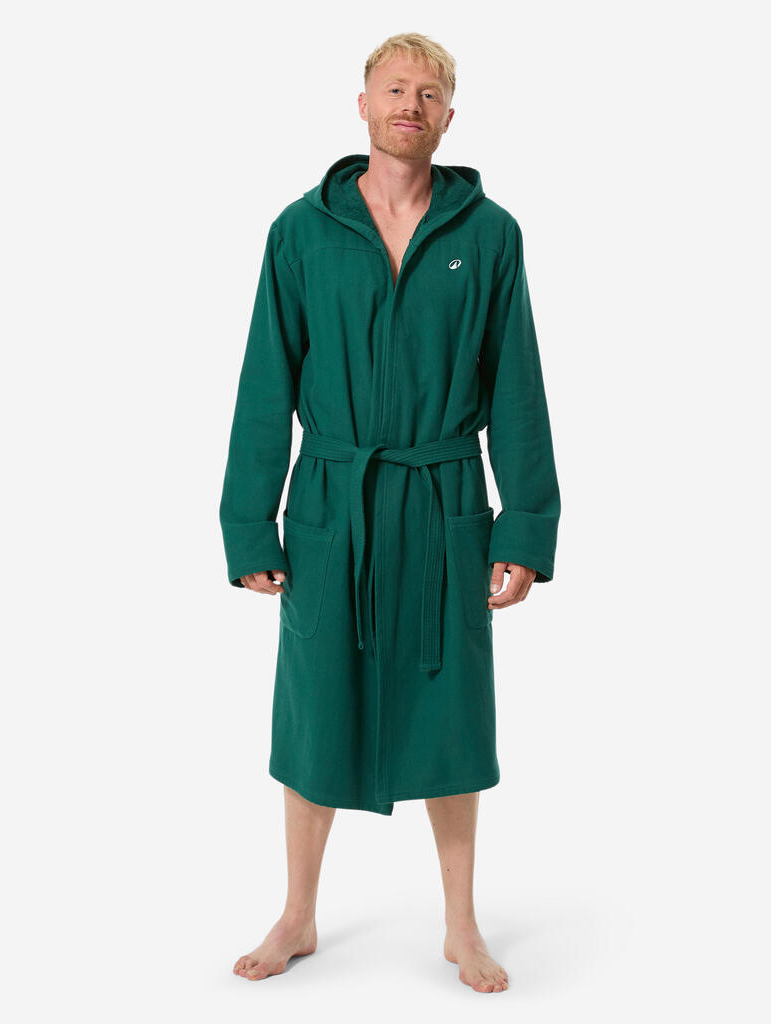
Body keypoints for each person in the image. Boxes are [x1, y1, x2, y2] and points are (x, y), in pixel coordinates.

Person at [219, 32, 560, 993]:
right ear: (363, 104)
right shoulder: (301, 231)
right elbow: (264, 382)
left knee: (453, 712)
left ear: (449, 116)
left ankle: (461, 925)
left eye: (430, 93)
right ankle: (297, 913)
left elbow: (518, 388)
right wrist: (250, 524)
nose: (412, 104)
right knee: (315, 706)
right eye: (396, 88)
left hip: (445, 499)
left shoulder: (489, 235)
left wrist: (524, 526)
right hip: (332, 502)